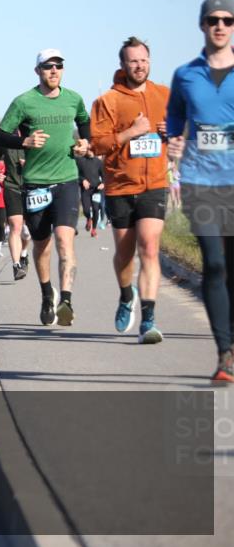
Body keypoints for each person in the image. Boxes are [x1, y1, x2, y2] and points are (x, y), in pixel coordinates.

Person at [166, 0, 234, 382]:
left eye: (227, 20)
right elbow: (175, 116)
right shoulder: (186, 74)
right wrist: (175, 140)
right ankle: (225, 354)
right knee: (215, 262)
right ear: (202, 25)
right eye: (213, 20)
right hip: (199, 181)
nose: (220, 26)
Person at [0, 49, 91, 326]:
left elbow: (84, 121)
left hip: (67, 180)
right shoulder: (24, 102)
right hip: (36, 183)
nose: (54, 70)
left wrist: (85, 142)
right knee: (42, 244)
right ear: (38, 71)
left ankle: (66, 301)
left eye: (58, 66)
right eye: (48, 66)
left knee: (64, 239)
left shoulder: (74, 99)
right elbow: (0, 136)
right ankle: (47, 293)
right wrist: (23, 142)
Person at [91, 36, 170, 344]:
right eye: (134, 61)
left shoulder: (164, 94)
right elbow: (97, 144)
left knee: (149, 247)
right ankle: (126, 295)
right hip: (120, 187)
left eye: (144, 60)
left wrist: (174, 130)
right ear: (123, 65)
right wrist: (131, 132)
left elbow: (185, 127)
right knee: (125, 255)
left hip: (154, 184)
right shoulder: (108, 101)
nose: (140, 66)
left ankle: (148, 320)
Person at [0, 132, 31, 279]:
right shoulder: (7, 138)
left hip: (31, 187)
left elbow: (47, 160)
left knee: (27, 231)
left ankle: (24, 253)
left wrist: (29, 165)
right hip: (11, 186)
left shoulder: (34, 135)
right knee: (15, 226)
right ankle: (16, 265)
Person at [75, 147, 105, 237]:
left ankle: (94, 229)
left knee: (96, 209)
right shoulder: (80, 160)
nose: (90, 151)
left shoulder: (98, 162)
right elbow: (76, 174)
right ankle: (89, 218)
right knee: (86, 210)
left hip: (96, 190)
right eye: (88, 149)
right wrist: (83, 180)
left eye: (92, 150)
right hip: (85, 190)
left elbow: (104, 175)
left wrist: (103, 183)